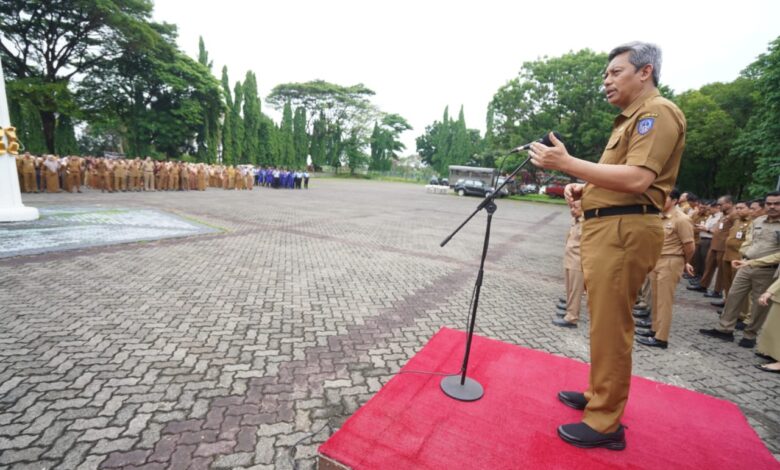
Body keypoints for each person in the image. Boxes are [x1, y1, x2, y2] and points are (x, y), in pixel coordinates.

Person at [527, 42, 685, 450]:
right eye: (605, 74)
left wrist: (566, 164)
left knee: (613, 327)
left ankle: (605, 422)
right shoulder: (629, 120)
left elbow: (637, 181)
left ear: (645, 71)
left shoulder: (657, 113)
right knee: (603, 323)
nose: (606, 80)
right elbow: (618, 176)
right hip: (610, 228)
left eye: (615, 72)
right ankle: (600, 396)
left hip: (625, 231)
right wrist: (586, 186)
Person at [700, 192, 780, 348]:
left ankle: (750, 334)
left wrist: (756, 261)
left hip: (767, 270)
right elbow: (749, 240)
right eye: (769, 203)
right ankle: (725, 329)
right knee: (733, 296)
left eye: (777, 203)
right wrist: (745, 255)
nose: (772, 206)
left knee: (759, 304)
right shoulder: (759, 221)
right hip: (745, 265)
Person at [635, 188, 694, 348]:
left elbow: (689, 246)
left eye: (664, 198)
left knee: (664, 302)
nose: (660, 201)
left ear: (674, 200)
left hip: (671, 261)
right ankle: (654, 329)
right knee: (655, 299)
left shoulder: (681, 219)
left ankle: (661, 338)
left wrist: (683, 262)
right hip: (657, 261)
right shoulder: (660, 216)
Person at [553, 200, 585, 328]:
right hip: (570, 259)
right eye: (571, 207)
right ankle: (569, 310)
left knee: (575, 291)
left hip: (578, 261)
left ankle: (572, 318)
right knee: (569, 288)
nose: (572, 210)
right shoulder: (575, 220)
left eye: (575, 207)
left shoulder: (586, 223)